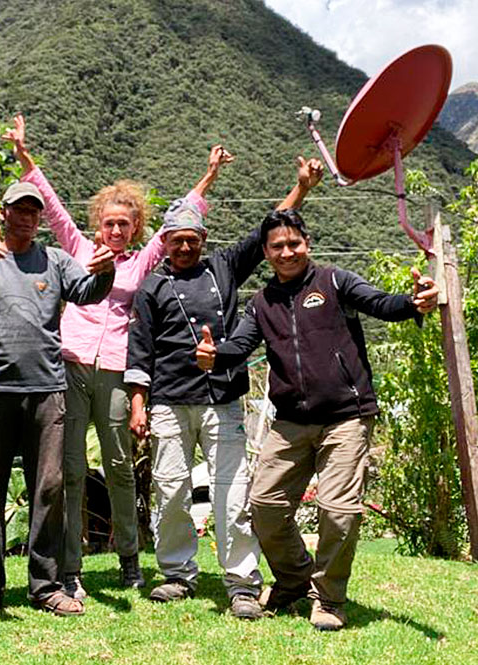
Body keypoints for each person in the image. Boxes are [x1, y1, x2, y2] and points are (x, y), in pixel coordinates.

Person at [2, 113, 234, 600]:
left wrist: (209, 177)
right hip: (70, 362)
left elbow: (179, 222)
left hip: (114, 369)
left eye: (123, 225)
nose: (114, 230)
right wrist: (24, 155)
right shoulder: (79, 249)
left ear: (135, 229)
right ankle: (70, 569)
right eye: (108, 223)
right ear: (98, 225)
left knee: (120, 467)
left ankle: (131, 558)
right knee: (67, 471)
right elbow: (55, 207)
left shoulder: (145, 259)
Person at [194, 208, 439, 631]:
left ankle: (328, 598)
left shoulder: (335, 281)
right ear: (267, 253)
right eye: (277, 247)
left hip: (347, 417)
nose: (287, 252)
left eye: (294, 243)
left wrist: (414, 302)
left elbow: (382, 303)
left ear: (307, 242)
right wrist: (213, 356)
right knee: (265, 506)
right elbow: (238, 345)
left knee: (338, 511)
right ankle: (293, 580)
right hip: (290, 422)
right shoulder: (262, 303)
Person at [124, 157, 324, 620]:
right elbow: (140, 351)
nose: (185, 247)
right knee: (170, 489)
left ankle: (241, 584)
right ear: (165, 243)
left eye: (193, 239)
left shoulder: (223, 268)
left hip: (223, 399)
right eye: (177, 241)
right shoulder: (152, 287)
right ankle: (176, 574)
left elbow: (267, 231)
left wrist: (301, 189)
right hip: (170, 401)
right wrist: (138, 405)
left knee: (231, 494)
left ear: (204, 240)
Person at [0, 181, 116, 619]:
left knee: (49, 487)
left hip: (46, 389)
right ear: (2, 213)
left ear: (39, 217)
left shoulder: (56, 260)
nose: (26, 217)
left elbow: (88, 293)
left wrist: (105, 269)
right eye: (18, 210)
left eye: (33, 211)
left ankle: (45, 587)